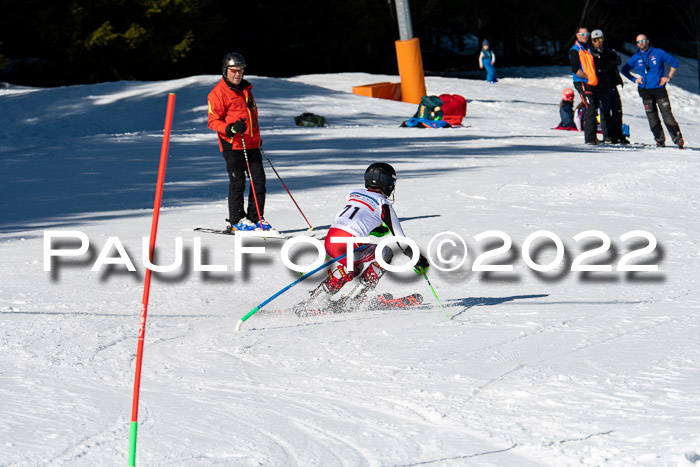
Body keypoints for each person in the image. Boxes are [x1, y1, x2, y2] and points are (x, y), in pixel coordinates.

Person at [319, 163, 429, 300]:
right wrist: (419, 259)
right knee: (386, 252)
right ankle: (357, 298)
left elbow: (355, 218)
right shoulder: (383, 205)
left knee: (354, 266)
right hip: (350, 245)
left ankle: (319, 297)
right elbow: (401, 240)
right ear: (389, 184)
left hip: (330, 241)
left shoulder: (353, 193)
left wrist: (375, 228)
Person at [207, 52, 271, 232]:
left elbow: (252, 117)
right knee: (238, 181)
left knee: (259, 181)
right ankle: (236, 219)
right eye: (233, 70)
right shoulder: (218, 93)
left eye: (240, 70)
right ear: (225, 71)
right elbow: (213, 121)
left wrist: (257, 137)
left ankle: (255, 217)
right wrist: (230, 128)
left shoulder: (246, 89)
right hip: (232, 144)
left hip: (252, 143)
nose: (237, 74)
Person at [621, 34, 684, 148]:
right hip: (645, 90)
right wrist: (634, 79)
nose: (641, 43)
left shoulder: (658, 52)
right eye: (638, 42)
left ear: (648, 41)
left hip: (659, 88)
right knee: (652, 116)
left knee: (667, 114)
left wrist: (668, 77)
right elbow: (624, 70)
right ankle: (659, 140)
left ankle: (677, 138)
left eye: (643, 41)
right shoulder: (636, 57)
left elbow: (675, 63)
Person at [590, 29, 628, 144]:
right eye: (595, 40)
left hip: (612, 85)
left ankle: (618, 135)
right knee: (605, 112)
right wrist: (607, 64)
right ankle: (608, 136)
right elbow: (598, 68)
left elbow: (617, 60)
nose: (598, 42)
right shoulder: (591, 53)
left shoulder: (608, 50)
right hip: (602, 87)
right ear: (592, 41)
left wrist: (608, 63)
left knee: (617, 111)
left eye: (600, 39)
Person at [570, 27, 600, 145]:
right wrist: (587, 77)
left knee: (594, 108)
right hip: (582, 82)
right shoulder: (575, 50)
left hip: (591, 83)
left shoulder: (587, 48)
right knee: (590, 107)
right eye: (582, 34)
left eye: (587, 34)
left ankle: (593, 137)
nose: (585, 36)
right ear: (577, 35)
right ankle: (589, 139)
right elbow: (575, 69)